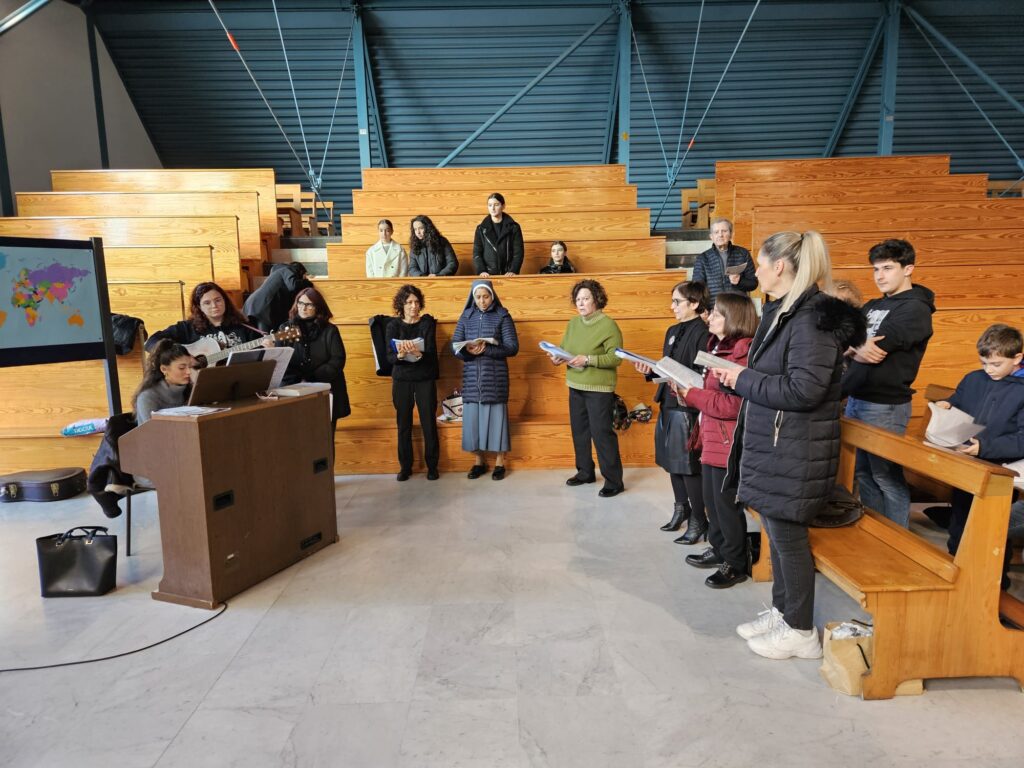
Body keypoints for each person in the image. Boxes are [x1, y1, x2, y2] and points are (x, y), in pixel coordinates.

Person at [716, 230, 865, 660]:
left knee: (788, 537)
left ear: (779, 266)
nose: (756, 273)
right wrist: (740, 378)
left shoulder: (810, 318)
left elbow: (805, 389)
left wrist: (743, 379)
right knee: (777, 533)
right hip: (778, 443)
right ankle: (784, 613)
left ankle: (800, 631)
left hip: (795, 448)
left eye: (760, 265)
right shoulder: (785, 311)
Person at [842, 239, 935, 528]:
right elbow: (845, 339)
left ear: (908, 269)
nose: (880, 275)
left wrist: (854, 346)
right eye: (876, 269)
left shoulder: (915, 308)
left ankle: (897, 537)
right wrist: (856, 345)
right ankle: (876, 533)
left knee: (885, 475)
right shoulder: (873, 305)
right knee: (864, 474)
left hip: (885, 405)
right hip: (857, 398)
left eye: (887, 268)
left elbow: (880, 347)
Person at [676, 293, 758, 588]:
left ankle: (735, 564)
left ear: (734, 318)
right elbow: (712, 393)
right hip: (712, 436)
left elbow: (734, 405)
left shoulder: (743, 352)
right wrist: (685, 390)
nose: (709, 318)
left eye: (717, 314)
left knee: (725, 505)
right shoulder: (717, 348)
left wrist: (694, 395)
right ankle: (720, 549)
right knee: (712, 500)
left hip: (728, 441)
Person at [934, 324, 1024, 556]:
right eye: (984, 363)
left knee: (990, 530)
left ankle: (996, 576)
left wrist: (985, 447)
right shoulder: (974, 379)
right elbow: (959, 402)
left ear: (1017, 358)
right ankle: (956, 563)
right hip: (965, 460)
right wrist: (947, 404)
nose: (988, 370)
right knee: (960, 522)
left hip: (999, 469)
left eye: (996, 364)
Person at [632, 280, 709, 539]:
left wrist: (679, 379)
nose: (672, 306)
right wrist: (650, 370)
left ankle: (699, 519)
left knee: (687, 466)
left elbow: (701, 374)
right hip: (667, 401)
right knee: (671, 462)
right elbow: (667, 367)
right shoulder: (672, 330)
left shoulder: (703, 333)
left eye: (677, 301)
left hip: (687, 407)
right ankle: (681, 508)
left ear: (694, 303)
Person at [548, 279, 625, 498]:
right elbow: (566, 349)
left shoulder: (608, 325)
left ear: (597, 300)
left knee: (601, 434)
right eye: (578, 299)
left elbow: (616, 358)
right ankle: (585, 472)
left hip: (599, 388)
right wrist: (557, 357)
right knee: (579, 431)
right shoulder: (573, 323)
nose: (581, 303)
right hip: (575, 385)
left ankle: (614, 481)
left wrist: (588, 360)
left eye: (586, 299)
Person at [452, 280, 520, 480]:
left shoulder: (502, 316)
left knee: (497, 422)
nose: (482, 301)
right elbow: (455, 346)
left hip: (495, 378)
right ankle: (478, 461)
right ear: (473, 297)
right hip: (472, 378)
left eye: (486, 296)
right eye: (478, 297)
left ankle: (500, 463)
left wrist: (487, 349)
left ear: (492, 296)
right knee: (473, 423)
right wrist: (468, 351)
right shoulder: (466, 316)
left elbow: (512, 347)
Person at [278, 287, 351, 437]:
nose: (303, 308)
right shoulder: (286, 329)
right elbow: (281, 359)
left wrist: (313, 378)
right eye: (300, 303)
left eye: (309, 304)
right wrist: (298, 380)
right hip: (294, 390)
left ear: (318, 307)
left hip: (325, 389)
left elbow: (337, 360)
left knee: (325, 437)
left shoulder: (330, 330)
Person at [386, 284, 440, 480]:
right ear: (401, 304)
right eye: (409, 302)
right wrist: (400, 355)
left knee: (428, 423)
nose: (413, 306)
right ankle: (405, 467)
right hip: (402, 379)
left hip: (424, 378)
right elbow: (389, 357)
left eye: (416, 302)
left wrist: (418, 354)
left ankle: (432, 466)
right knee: (403, 424)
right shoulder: (393, 325)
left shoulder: (427, 323)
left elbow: (432, 354)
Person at [145, 281, 263, 354]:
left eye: (218, 300)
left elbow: (259, 356)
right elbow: (151, 342)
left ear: (225, 301)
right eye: (207, 303)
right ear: (199, 307)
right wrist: (176, 355)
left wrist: (267, 349)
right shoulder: (187, 328)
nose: (214, 306)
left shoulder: (244, 326)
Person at [691, 218, 757, 301]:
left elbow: (753, 283)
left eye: (724, 231)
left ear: (731, 234)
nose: (720, 235)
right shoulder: (702, 258)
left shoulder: (743, 254)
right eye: (716, 232)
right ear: (711, 237)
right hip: (714, 307)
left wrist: (740, 281)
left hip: (738, 306)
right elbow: (697, 288)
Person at [133, 339, 194, 424]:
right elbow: (154, 430)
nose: (189, 372)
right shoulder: (147, 397)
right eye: (182, 368)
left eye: (190, 366)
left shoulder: (190, 391)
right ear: (164, 369)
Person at [243, 262, 312, 332]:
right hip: (262, 307)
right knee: (265, 337)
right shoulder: (288, 269)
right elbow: (293, 285)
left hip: (253, 305)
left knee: (257, 336)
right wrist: (307, 282)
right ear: (300, 271)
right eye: (304, 275)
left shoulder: (278, 274)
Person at [472, 192, 524, 276]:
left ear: (503, 206)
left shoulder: (514, 227)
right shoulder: (481, 229)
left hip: (508, 274)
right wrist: (482, 271)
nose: (492, 208)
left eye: (496, 205)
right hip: (488, 275)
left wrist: (513, 270)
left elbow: (518, 253)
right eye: (490, 205)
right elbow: (477, 253)